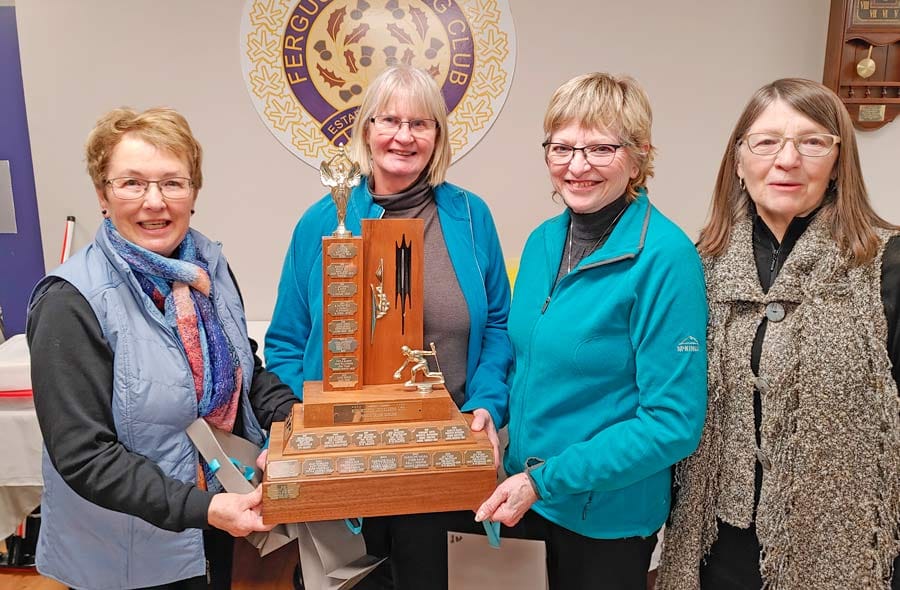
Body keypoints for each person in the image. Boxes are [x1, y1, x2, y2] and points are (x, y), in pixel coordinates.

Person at [26, 107, 298, 590]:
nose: (155, 201)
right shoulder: (71, 302)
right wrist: (203, 508)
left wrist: (294, 422)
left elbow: (245, 371)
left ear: (194, 193)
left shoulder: (207, 268)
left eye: (173, 182)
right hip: (127, 556)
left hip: (218, 523)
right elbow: (84, 455)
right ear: (102, 196)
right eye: (132, 183)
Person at [265, 65, 512, 590]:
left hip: (442, 455)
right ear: (366, 129)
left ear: (438, 137)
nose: (404, 136)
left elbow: (496, 326)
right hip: (345, 462)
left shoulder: (472, 217)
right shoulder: (320, 222)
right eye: (390, 120)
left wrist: (487, 403)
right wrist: (304, 424)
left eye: (421, 124)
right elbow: (286, 341)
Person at [658, 78, 900, 589]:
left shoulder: (886, 264)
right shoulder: (695, 268)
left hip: (843, 550)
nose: (787, 160)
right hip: (716, 547)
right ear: (739, 161)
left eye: (812, 142)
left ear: (838, 162)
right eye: (766, 142)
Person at [474, 72, 708, 589]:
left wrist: (544, 480)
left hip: (603, 520)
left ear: (639, 155)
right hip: (526, 499)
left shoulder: (666, 258)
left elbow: (673, 422)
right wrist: (492, 410)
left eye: (601, 148)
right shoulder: (541, 242)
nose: (577, 166)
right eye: (562, 147)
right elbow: (525, 359)